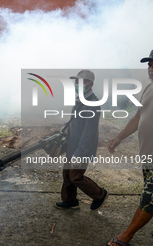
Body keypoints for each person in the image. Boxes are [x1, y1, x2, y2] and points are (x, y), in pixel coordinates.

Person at [107, 47, 153, 246]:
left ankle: (125, 237)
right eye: (149, 65)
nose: (152, 69)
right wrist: (119, 138)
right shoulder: (151, 87)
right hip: (150, 155)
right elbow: (139, 116)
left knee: (151, 196)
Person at [55, 69, 108, 211]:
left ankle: (99, 194)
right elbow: (75, 122)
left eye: (80, 82)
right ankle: (69, 200)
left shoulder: (93, 103)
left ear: (90, 84)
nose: (76, 84)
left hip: (82, 147)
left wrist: (80, 152)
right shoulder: (81, 98)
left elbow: (89, 132)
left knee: (75, 176)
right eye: (76, 81)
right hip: (72, 144)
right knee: (67, 174)